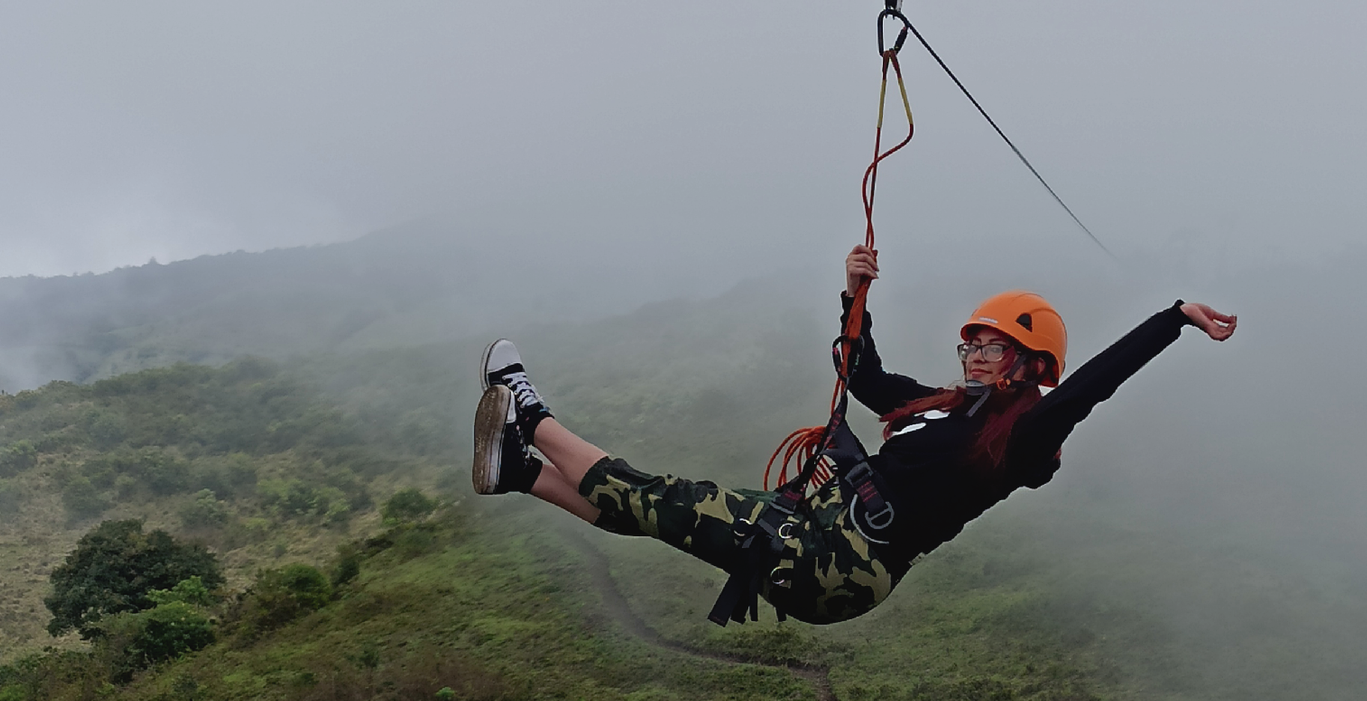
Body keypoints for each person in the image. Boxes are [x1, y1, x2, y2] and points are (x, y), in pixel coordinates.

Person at [472, 246, 1237, 627]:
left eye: (989, 344)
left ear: (1028, 364)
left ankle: (528, 410)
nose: (970, 353)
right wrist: (856, 292)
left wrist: (1174, 319)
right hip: (816, 530)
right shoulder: (937, 405)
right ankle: (520, 471)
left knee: (669, 496)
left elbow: (1093, 383)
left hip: (846, 563)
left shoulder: (1021, 437)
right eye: (968, 341)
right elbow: (860, 372)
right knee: (658, 512)